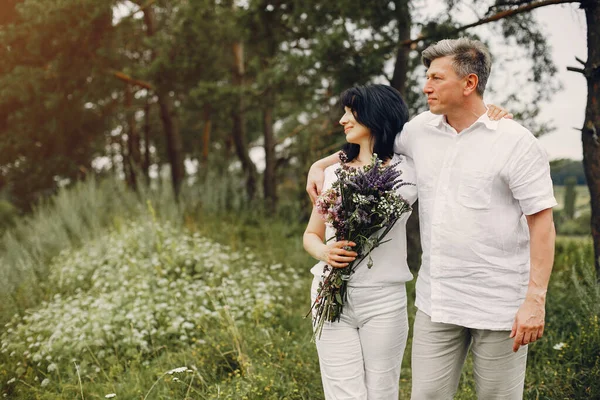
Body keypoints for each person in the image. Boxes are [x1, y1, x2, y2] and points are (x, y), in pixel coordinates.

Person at [306, 38, 556, 400]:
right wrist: (323, 163)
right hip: (437, 302)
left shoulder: (515, 142)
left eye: (437, 78)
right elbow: (374, 139)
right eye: (427, 77)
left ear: (469, 83)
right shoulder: (419, 131)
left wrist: (535, 299)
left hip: (500, 303)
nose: (426, 87)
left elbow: (542, 223)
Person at [303, 84, 417, 400]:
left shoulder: (408, 171)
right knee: (342, 393)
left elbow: (449, 138)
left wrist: (493, 116)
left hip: (383, 299)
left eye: (351, 112)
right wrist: (325, 251)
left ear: (375, 116)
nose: (342, 120)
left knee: (381, 392)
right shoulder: (332, 173)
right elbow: (310, 235)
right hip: (328, 294)